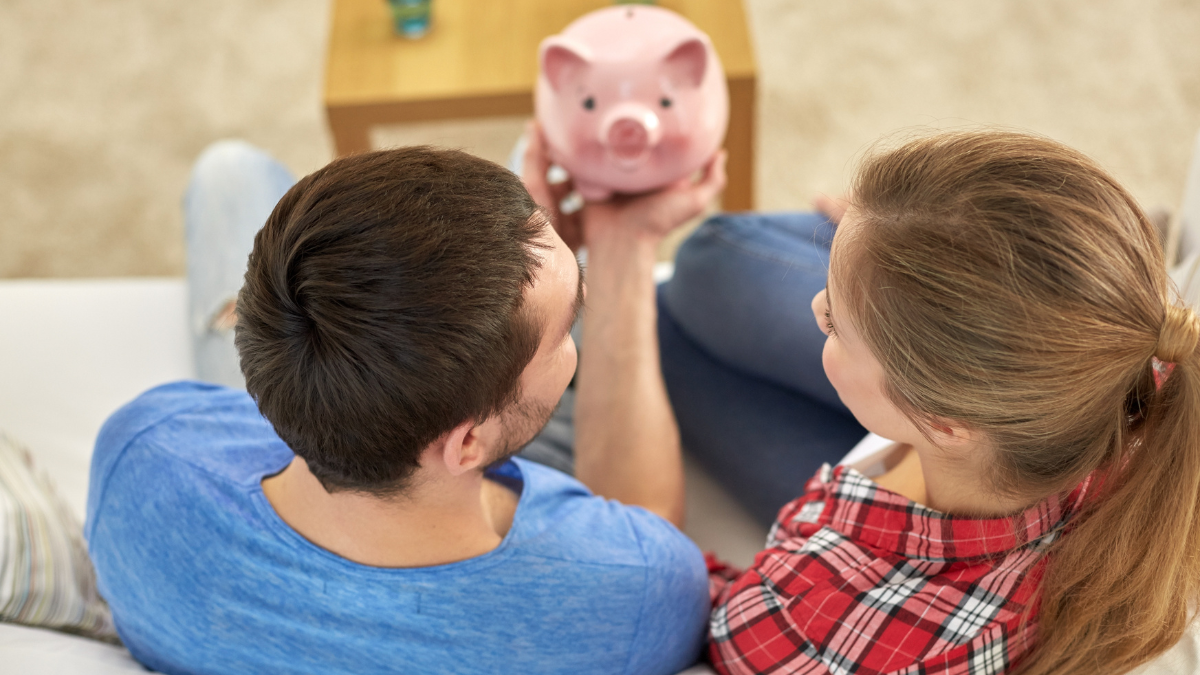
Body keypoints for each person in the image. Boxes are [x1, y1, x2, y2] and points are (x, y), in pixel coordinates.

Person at [85, 139, 726, 675]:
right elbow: (644, 533)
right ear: (468, 444)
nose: (573, 335)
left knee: (230, 168)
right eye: (568, 328)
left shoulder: (143, 449)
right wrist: (625, 252)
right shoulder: (634, 587)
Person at [658, 130, 1200, 674]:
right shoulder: (1124, 396)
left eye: (834, 325)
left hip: (884, 545)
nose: (816, 304)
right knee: (703, 277)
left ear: (944, 421)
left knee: (670, 310)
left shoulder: (809, 616)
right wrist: (890, 247)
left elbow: (671, 596)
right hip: (973, 491)